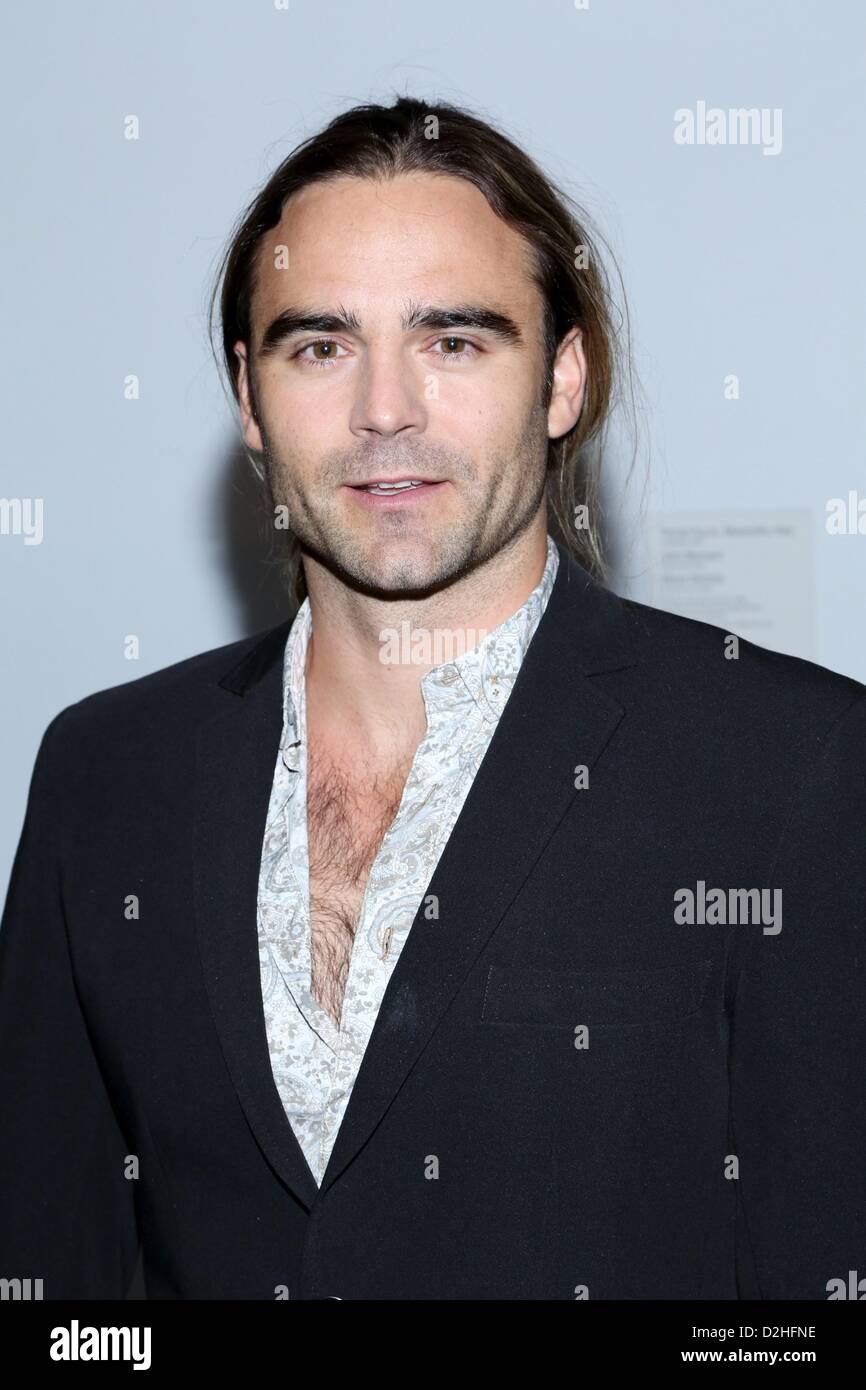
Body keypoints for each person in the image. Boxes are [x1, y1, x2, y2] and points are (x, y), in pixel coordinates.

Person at [1, 96, 864, 1301]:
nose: (383, 409)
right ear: (248, 398)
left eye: (453, 340)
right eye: (320, 346)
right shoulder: (105, 771)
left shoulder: (792, 767)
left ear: (561, 379)